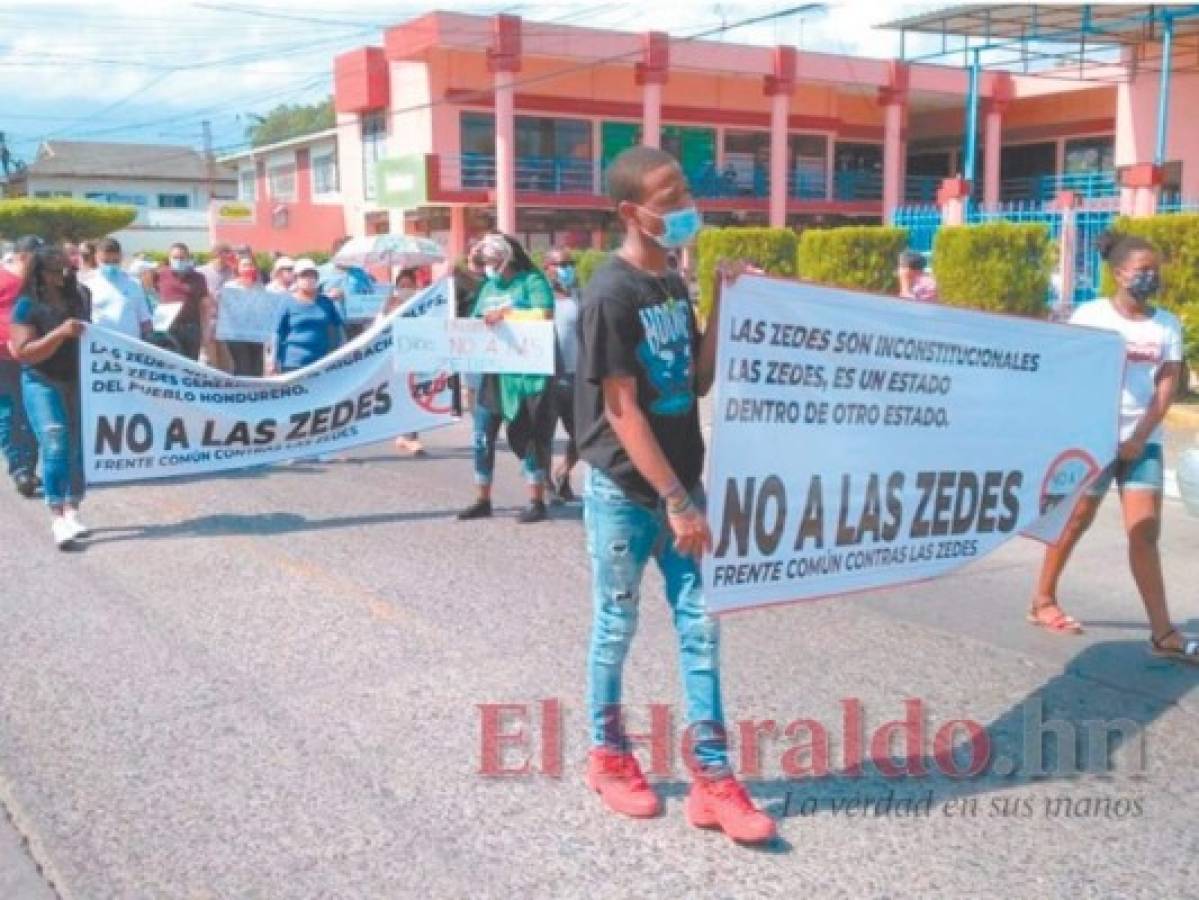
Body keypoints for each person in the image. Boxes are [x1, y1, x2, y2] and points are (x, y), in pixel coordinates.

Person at [574, 145, 775, 843]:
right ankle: (607, 757)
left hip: (679, 486)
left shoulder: (668, 284)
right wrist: (676, 500)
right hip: (630, 496)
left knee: (701, 626)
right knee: (615, 627)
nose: (687, 204)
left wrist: (722, 300)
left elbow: (695, 382)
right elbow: (622, 410)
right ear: (632, 212)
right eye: (670, 195)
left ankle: (713, 781)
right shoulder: (608, 294)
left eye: (686, 189)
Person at [1031, 233, 1198, 663]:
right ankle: (1043, 600)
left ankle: (1162, 632)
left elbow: (1167, 385)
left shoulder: (1167, 324)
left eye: (1155, 271)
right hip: (1093, 438)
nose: (1150, 277)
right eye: (1142, 270)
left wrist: (1139, 436)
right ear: (1119, 272)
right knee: (1076, 521)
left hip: (1142, 441)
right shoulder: (1092, 315)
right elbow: (1068, 370)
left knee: (1145, 533)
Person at [456, 233, 555, 524]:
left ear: (506, 258)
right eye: (484, 261)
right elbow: (476, 321)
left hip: (526, 376)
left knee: (530, 437)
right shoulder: (488, 287)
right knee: (482, 437)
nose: (487, 265)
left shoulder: (532, 282)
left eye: (491, 260)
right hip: (494, 375)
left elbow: (545, 314)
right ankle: (482, 498)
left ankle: (536, 500)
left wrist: (508, 314)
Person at [8, 246, 92, 549]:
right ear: (40, 274)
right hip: (42, 380)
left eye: (67, 268)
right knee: (55, 440)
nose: (64, 275)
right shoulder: (26, 306)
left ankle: (73, 507)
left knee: (77, 445)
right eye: (56, 270)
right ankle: (57, 513)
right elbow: (24, 352)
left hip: (77, 380)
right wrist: (59, 334)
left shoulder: (79, 298)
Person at [0, 235, 42, 497]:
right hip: (5, 357)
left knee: (32, 413)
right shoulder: (4, 280)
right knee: (10, 412)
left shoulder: (36, 284)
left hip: (34, 355)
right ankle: (20, 469)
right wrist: (8, 340)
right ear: (23, 256)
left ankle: (28, 466)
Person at [542, 247, 581, 503]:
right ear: (548, 268)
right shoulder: (540, 298)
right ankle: (546, 486)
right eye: (560, 264)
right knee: (543, 435)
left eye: (570, 263)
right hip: (548, 376)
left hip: (577, 375)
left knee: (583, 433)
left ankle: (564, 472)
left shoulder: (580, 296)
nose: (566, 268)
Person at [271, 259, 345, 374]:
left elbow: (338, 328)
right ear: (296, 279)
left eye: (312, 275)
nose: (309, 279)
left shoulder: (325, 302)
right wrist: (273, 361)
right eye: (304, 276)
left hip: (321, 362)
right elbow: (277, 333)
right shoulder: (287, 302)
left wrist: (344, 353)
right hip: (293, 362)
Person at [81, 237, 151, 339]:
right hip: (101, 347)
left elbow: (145, 320)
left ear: (121, 257)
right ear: (96, 258)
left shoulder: (134, 284)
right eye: (106, 261)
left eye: (115, 261)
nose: (111, 266)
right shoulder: (87, 284)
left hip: (130, 347)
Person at [156, 242, 209, 361]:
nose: (178, 261)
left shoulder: (199, 278)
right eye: (175, 258)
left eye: (181, 258)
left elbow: (204, 306)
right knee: (170, 364)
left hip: (191, 328)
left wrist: (206, 333)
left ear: (188, 258)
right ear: (169, 258)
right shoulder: (160, 275)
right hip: (168, 328)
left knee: (190, 366)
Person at [221, 255, 267, 377]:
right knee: (243, 367)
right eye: (245, 265)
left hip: (256, 333)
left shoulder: (259, 286)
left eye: (250, 264)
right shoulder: (230, 286)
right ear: (238, 268)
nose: (248, 267)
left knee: (257, 367)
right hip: (237, 334)